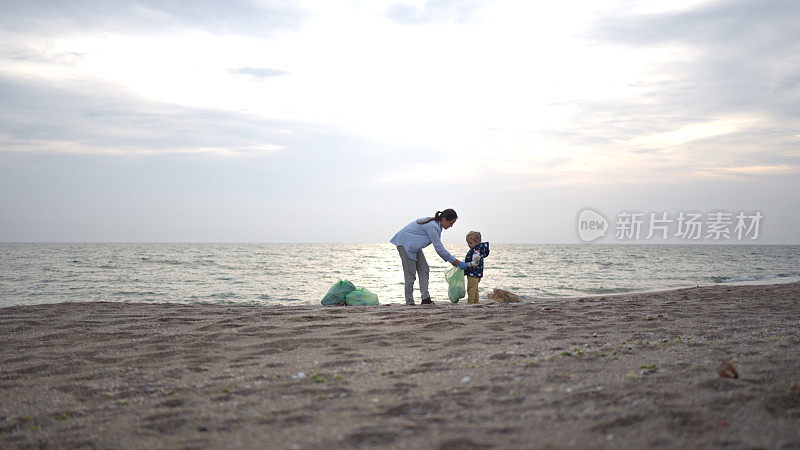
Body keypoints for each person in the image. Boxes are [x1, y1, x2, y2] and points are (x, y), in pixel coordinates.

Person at [390, 209, 469, 305]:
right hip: (405, 244)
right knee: (410, 275)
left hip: (414, 247)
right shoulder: (432, 226)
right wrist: (456, 262)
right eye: (451, 223)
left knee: (424, 269)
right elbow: (439, 248)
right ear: (444, 220)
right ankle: (409, 302)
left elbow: (439, 247)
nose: (451, 226)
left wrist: (453, 261)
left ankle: (425, 299)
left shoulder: (437, 226)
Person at [464, 231, 490, 304]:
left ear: (478, 242)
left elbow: (475, 262)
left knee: (471, 288)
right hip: (478, 273)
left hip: (473, 273)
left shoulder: (476, 251)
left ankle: (470, 302)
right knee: (475, 288)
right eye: (468, 243)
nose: (469, 245)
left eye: (470, 243)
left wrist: (466, 265)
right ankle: (476, 301)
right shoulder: (477, 249)